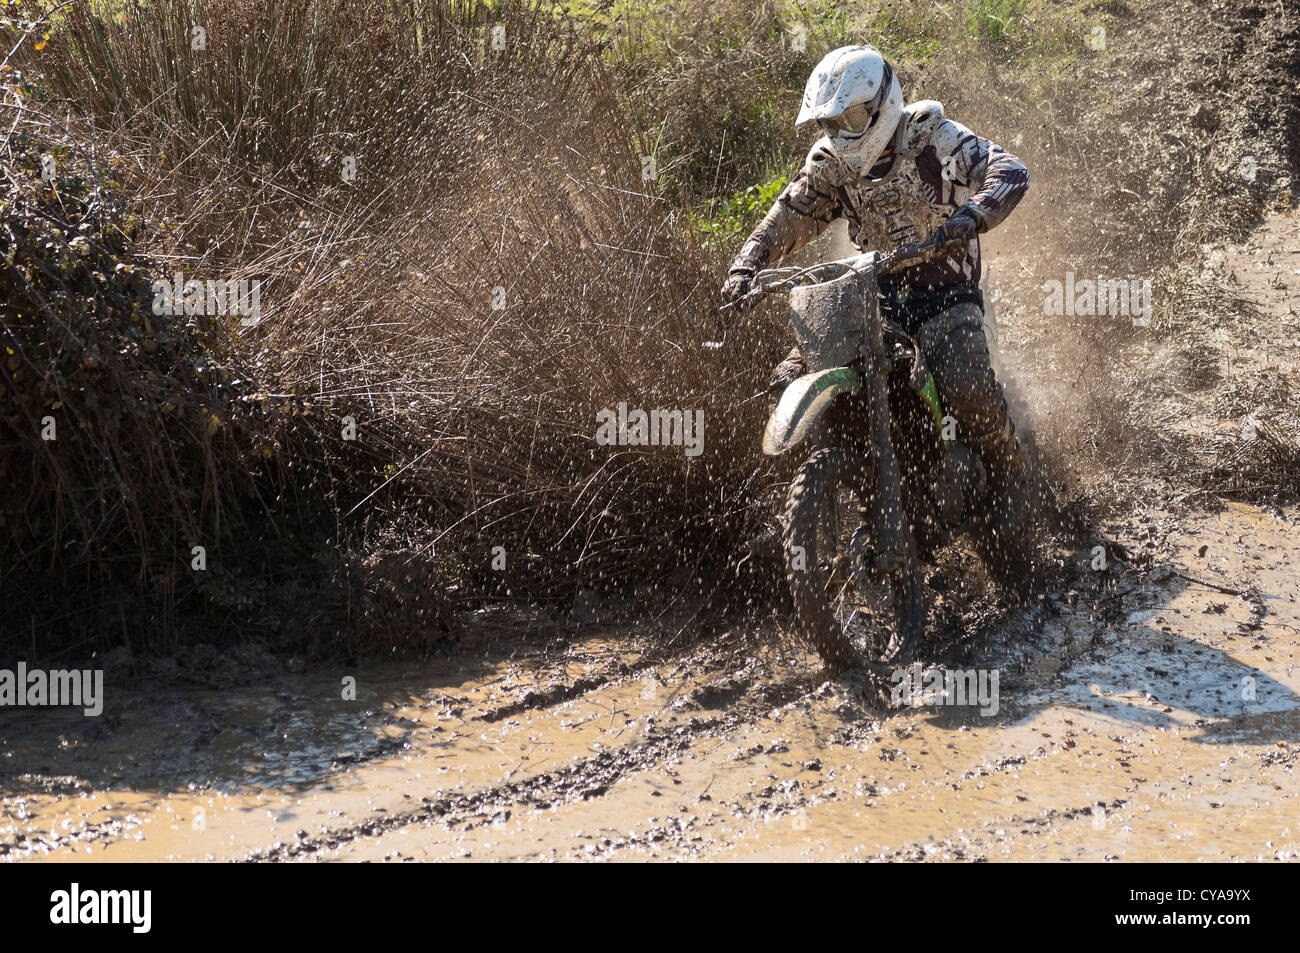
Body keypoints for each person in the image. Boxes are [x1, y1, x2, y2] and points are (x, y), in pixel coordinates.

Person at [722, 44, 1033, 561]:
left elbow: (1008, 170)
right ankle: (808, 517)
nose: (845, 130)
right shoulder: (831, 167)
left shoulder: (933, 138)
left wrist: (970, 217)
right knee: (788, 379)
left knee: (965, 379)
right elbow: (787, 216)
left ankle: (1008, 481)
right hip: (875, 293)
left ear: (883, 101)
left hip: (945, 291)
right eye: (833, 120)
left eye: (854, 114)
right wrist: (745, 265)